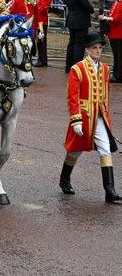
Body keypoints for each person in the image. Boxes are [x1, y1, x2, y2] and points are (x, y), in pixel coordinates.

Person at [58, 32, 120, 204]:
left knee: (105, 149)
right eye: (94, 48)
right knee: (74, 151)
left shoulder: (105, 69)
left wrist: (106, 115)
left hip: (100, 117)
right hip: (83, 117)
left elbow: (105, 94)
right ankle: (64, 179)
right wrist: (76, 119)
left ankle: (110, 190)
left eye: (100, 48)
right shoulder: (77, 69)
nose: (98, 51)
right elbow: (73, 96)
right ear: (87, 49)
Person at [62, 0, 94, 73]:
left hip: (71, 21)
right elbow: (89, 8)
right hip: (80, 22)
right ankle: (77, 67)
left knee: (71, 43)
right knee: (79, 45)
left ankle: (68, 66)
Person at [35, 0, 55, 67]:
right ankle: (41, 59)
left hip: (42, 22)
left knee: (41, 40)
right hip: (37, 20)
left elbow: (43, 8)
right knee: (38, 41)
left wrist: (35, 7)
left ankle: (42, 60)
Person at [103, 0, 122, 83]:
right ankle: (117, 74)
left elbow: (117, 19)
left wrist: (106, 18)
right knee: (116, 55)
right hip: (113, 33)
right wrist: (107, 17)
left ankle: (118, 76)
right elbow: (112, 15)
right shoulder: (116, 2)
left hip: (119, 34)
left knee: (119, 56)